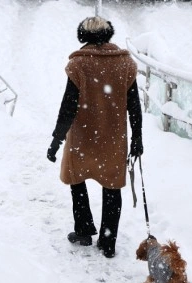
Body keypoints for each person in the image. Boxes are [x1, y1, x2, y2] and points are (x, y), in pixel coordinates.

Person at [47, 16, 143, 258]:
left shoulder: (79, 65)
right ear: (108, 34)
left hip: (82, 137)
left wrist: (57, 140)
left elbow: (68, 107)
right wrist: (137, 139)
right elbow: (134, 107)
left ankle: (83, 230)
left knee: (76, 180)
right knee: (112, 188)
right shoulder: (125, 64)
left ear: (83, 36)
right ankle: (108, 241)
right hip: (113, 138)